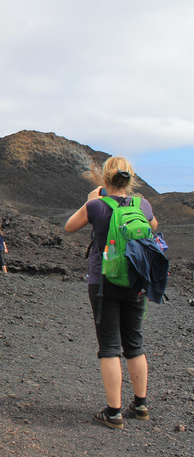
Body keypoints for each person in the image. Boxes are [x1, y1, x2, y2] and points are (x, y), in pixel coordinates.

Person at [65, 156, 157, 429]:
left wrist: (90, 199)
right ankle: (140, 405)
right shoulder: (144, 204)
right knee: (135, 344)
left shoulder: (96, 206)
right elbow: (152, 228)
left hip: (103, 283)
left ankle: (114, 412)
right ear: (130, 178)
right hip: (136, 282)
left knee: (109, 347)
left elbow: (70, 226)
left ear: (105, 179)